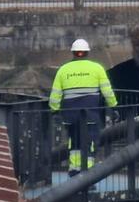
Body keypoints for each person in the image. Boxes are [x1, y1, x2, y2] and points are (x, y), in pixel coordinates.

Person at [49, 39, 118, 175]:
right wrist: (113, 106)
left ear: (73, 53)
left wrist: (54, 110)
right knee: (90, 141)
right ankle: (88, 171)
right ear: (87, 52)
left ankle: (74, 168)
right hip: (91, 113)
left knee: (74, 140)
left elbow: (55, 94)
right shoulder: (97, 68)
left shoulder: (63, 70)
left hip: (70, 114)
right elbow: (107, 91)